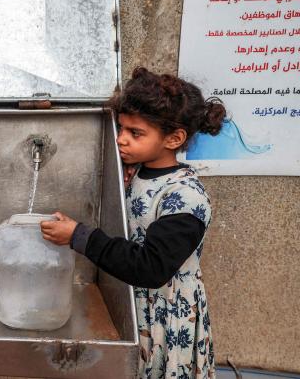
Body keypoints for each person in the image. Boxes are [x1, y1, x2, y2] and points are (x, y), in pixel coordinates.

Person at [40, 67, 226, 379]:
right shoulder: (137, 171)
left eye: (135, 133)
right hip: (137, 306)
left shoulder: (184, 198)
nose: (121, 139)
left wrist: (80, 236)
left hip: (164, 317)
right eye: (121, 128)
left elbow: (150, 268)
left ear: (174, 138)